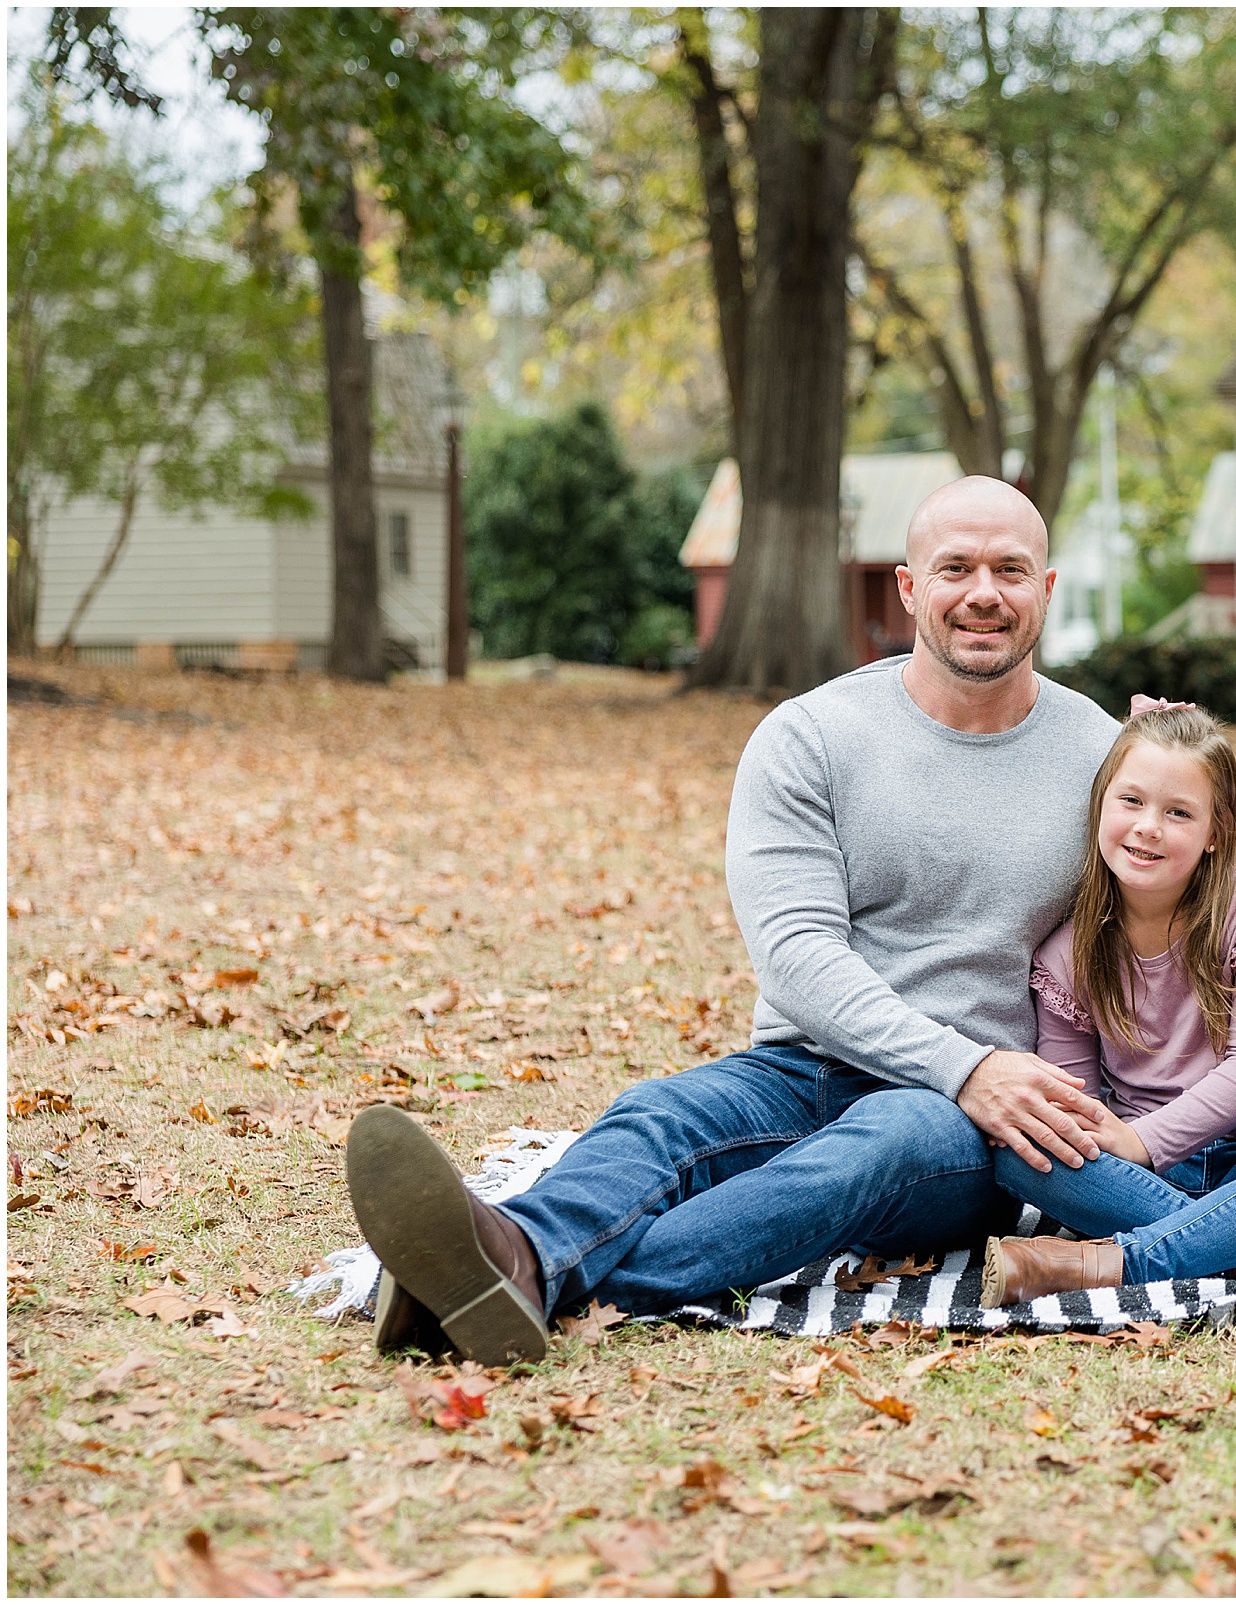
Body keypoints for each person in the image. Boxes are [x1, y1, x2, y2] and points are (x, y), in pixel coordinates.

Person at [345, 476, 1125, 1364]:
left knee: (881, 1141)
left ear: (1047, 591)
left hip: (963, 1125)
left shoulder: (1100, 758)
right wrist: (965, 1062)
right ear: (909, 588)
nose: (984, 592)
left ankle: (512, 1280)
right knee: (660, 1116)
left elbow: (1173, 927)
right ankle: (515, 1256)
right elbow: (797, 957)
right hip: (804, 1066)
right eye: (956, 567)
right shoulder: (811, 737)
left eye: (1010, 569)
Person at [980, 699, 1236, 1307]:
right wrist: (1125, 1146)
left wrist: (1146, 1142)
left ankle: (1116, 1262)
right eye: (1132, 802)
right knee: (1020, 1149)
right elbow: (1076, 1099)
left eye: (1178, 813)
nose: (1148, 826)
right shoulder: (1067, 951)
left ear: (1215, 833)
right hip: (1134, 1172)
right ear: (1100, 807)